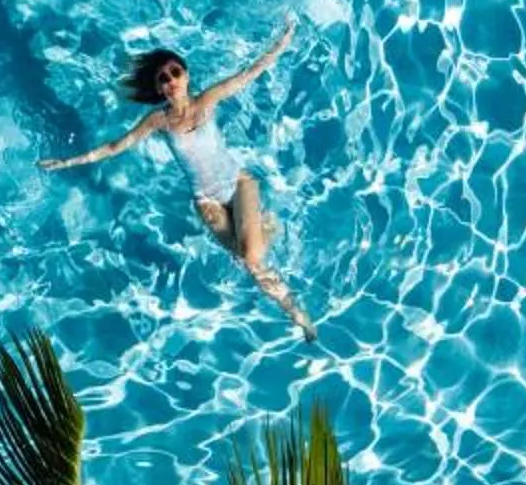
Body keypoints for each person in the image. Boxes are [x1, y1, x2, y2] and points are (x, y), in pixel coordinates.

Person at [41, 24, 318, 342]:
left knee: (253, 258)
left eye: (174, 72)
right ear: (159, 89)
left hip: (239, 184)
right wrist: (67, 162)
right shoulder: (157, 121)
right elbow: (116, 146)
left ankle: (288, 292)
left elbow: (250, 72)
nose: (170, 80)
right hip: (207, 201)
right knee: (247, 261)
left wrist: (283, 41)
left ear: (186, 75)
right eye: (163, 78)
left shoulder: (208, 99)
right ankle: (293, 303)